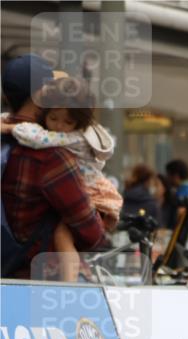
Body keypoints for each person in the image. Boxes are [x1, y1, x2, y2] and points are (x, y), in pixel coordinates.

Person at [2, 76, 122, 282]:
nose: (59, 126)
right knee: (63, 235)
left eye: (68, 122)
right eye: (54, 118)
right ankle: (69, 285)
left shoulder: (12, 144)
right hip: (47, 275)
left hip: (15, 268)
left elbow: (34, 134)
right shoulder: (54, 156)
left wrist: (8, 126)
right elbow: (92, 234)